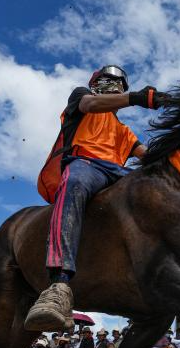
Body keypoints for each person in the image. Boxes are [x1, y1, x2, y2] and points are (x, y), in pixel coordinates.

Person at [26, 65, 165, 332]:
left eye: (119, 83)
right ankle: (58, 283)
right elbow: (90, 104)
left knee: (155, 193)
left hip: (118, 173)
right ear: (95, 83)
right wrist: (136, 98)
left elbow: (147, 156)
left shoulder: (123, 130)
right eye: (108, 80)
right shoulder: (81, 96)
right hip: (85, 163)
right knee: (74, 184)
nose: (114, 85)